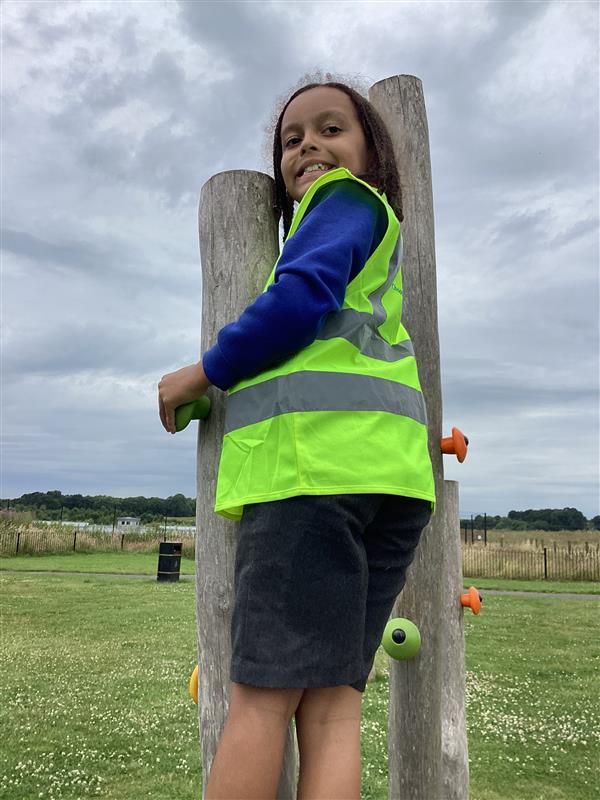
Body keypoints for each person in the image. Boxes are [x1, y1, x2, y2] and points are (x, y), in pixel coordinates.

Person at [158, 79, 435, 800]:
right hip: (391, 484)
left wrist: (202, 372)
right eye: (291, 138)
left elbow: (299, 297)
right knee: (332, 706)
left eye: (331, 128)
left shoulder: (342, 202)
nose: (308, 145)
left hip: (316, 477)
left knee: (261, 698)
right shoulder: (376, 239)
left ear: (372, 155)